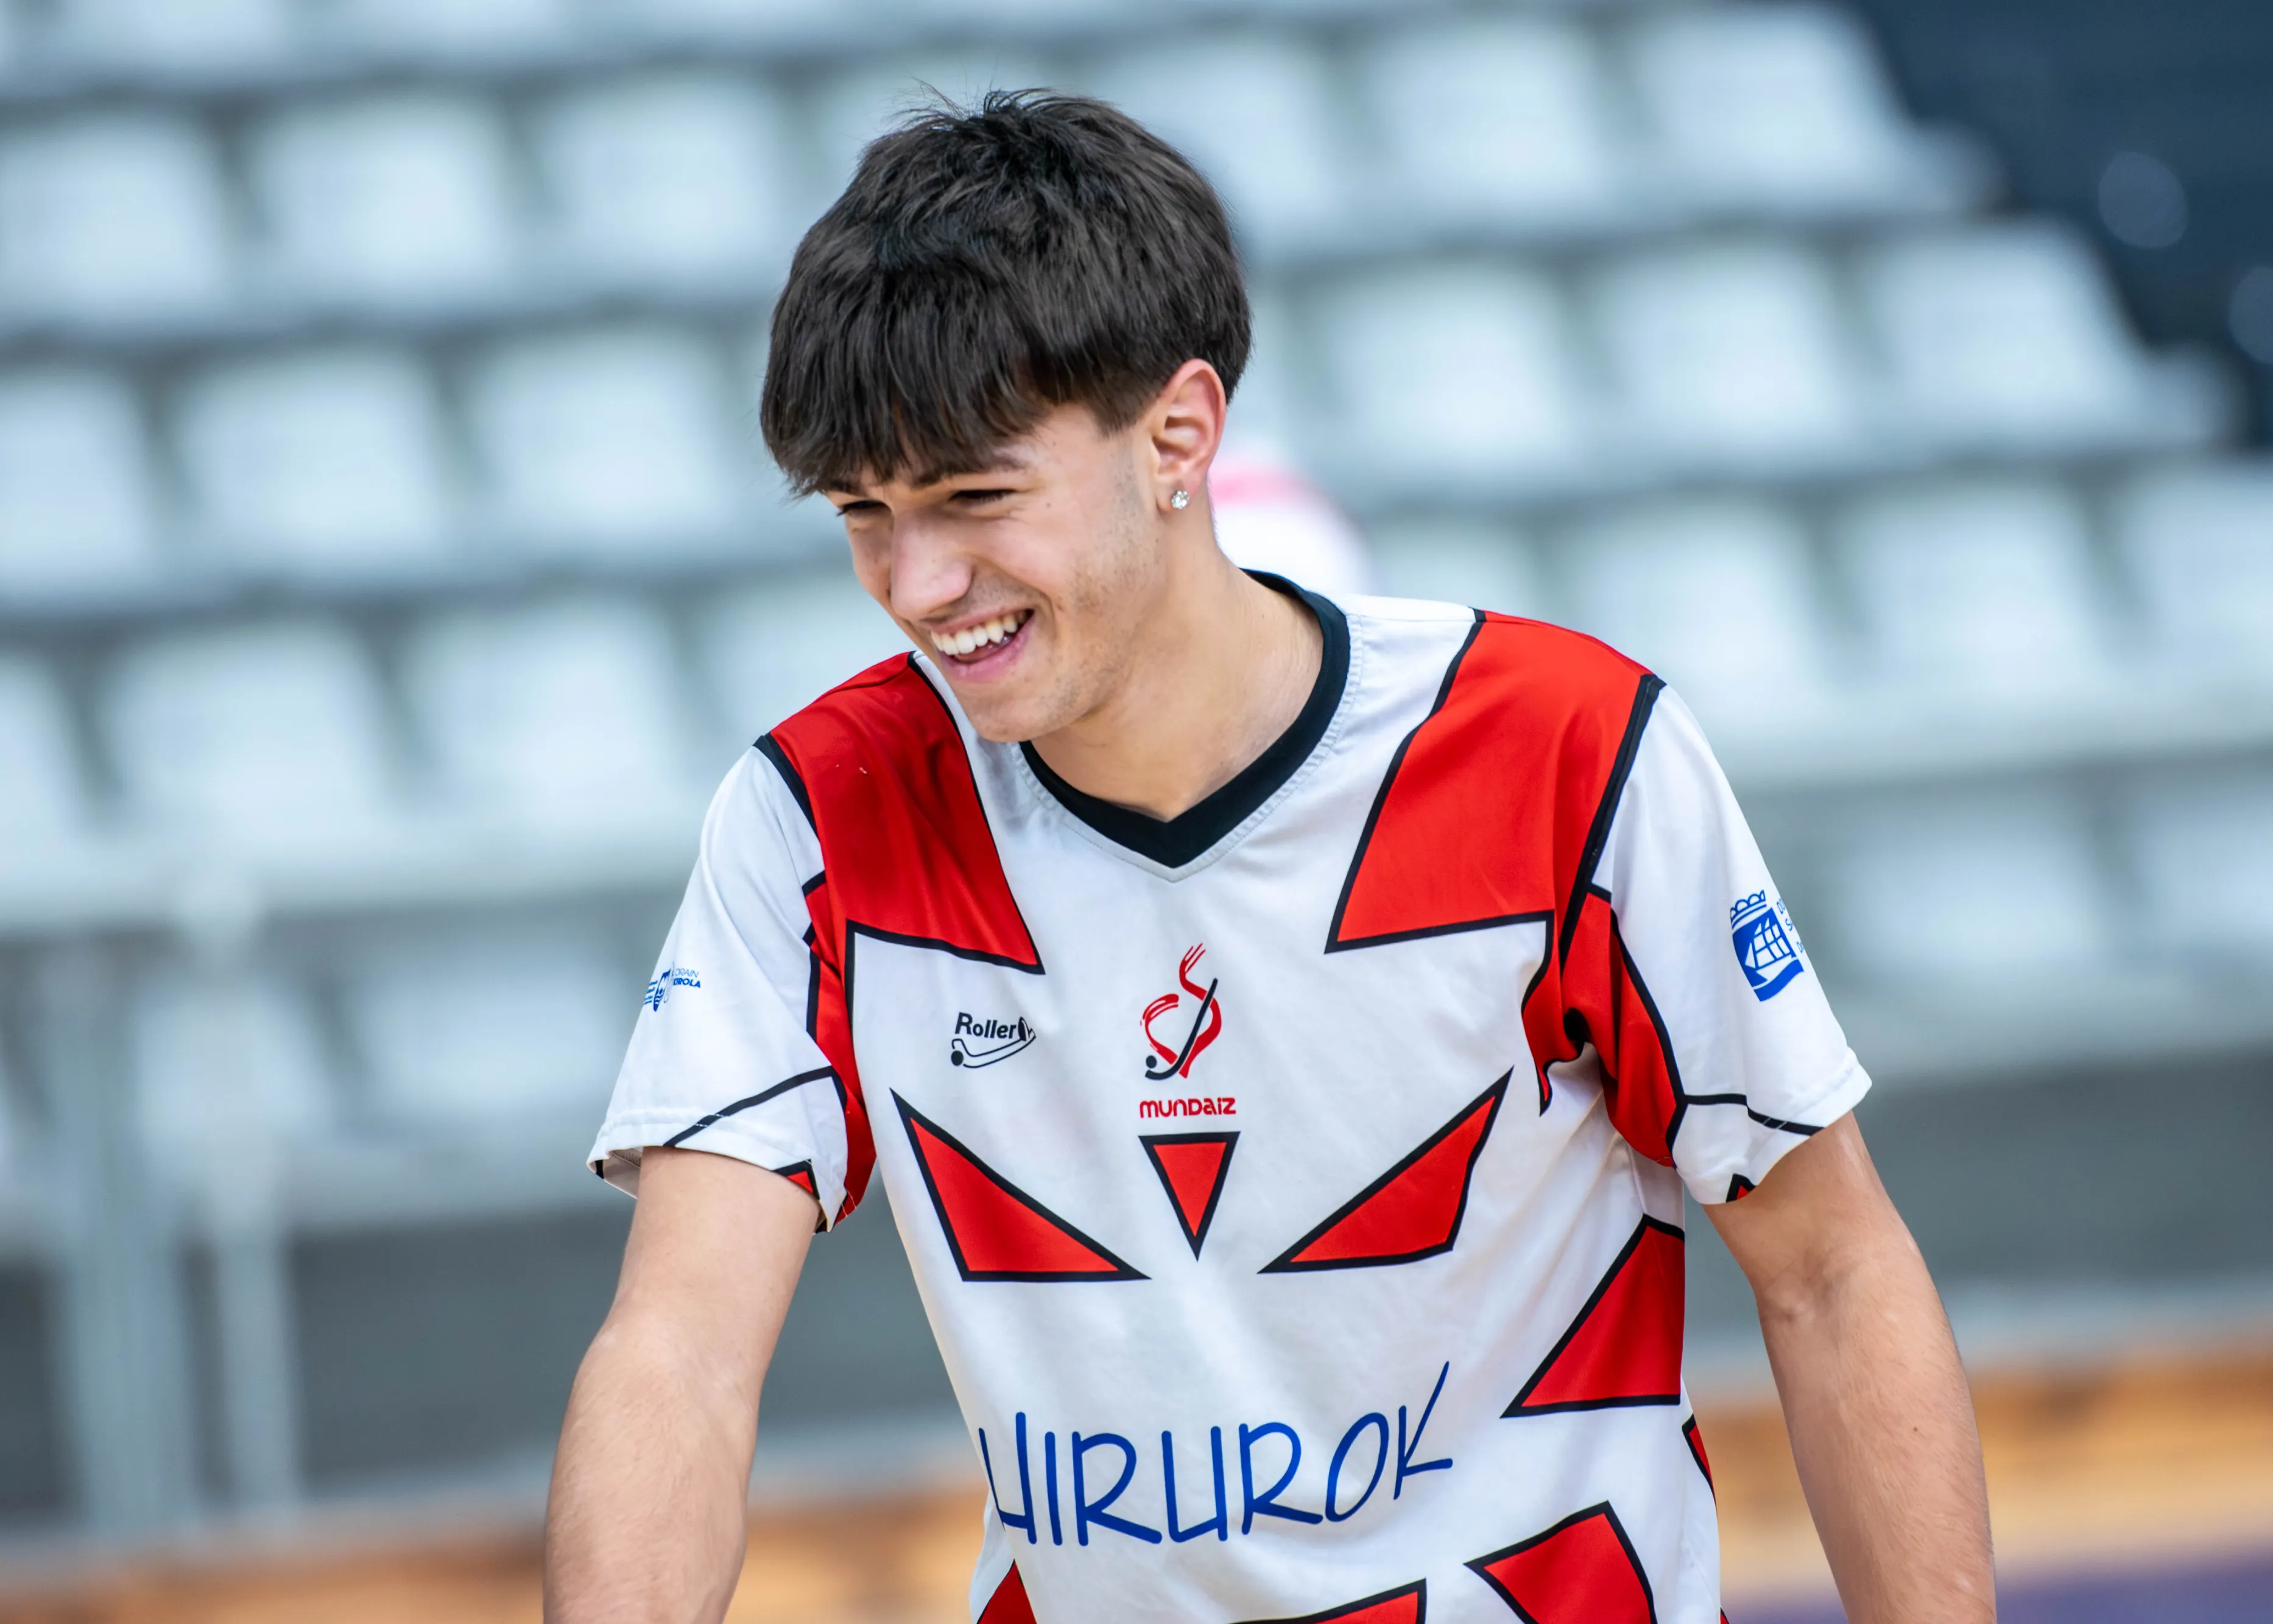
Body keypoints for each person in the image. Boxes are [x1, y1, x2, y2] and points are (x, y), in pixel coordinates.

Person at [544, 91, 1995, 1624]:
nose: (914, 582)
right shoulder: (811, 815)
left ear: (1179, 433)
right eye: (863, 513)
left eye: (973, 497)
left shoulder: (1568, 752)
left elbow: (1829, 1271)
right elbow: (678, 1357)